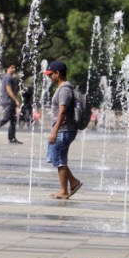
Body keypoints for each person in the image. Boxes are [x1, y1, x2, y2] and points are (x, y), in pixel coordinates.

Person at [44, 60, 82, 199]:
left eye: (50, 74)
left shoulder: (65, 89)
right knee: (56, 158)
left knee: (60, 160)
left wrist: (55, 131)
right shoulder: (63, 88)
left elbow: (62, 111)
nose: (49, 77)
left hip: (64, 130)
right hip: (63, 129)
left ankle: (64, 191)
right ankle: (73, 183)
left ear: (57, 73)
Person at [0, 63, 23, 144]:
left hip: (10, 102)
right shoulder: (8, 77)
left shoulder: (8, 77)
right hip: (8, 102)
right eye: (12, 67)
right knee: (6, 119)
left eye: (15, 68)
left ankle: (12, 138)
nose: (14, 69)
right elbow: (8, 90)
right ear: (7, 68)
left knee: (13, 120)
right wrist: (16, 100)